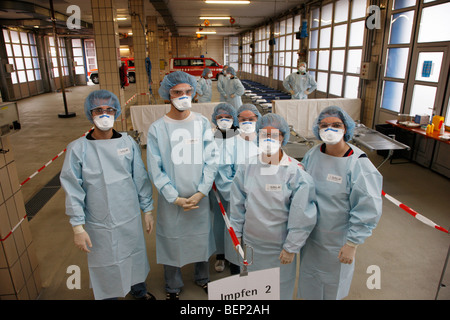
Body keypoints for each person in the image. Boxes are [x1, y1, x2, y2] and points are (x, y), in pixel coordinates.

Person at [60, 89, 156, 300]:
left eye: (109, 109)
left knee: (134, 254)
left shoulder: (127, 142)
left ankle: (138, 290)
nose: (104, 114)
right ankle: (109, 295)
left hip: (128, 215)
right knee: (105, 259)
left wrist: (147, 209)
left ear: (116, 112)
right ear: (90, 114)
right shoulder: (78, 149)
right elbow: (73, 189)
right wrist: (77, 226)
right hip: (99, 221)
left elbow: (140, 178)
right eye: (98, 110)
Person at [146, 71, 219, 300]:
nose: (184, 96)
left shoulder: (201, 122)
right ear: (168, 94)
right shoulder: (158, 128)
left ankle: (202, 278)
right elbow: (155, 168)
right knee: (171, 240)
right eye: (178, 92)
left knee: (200, 237)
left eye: (188, 91)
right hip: (172, 200)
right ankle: (173, 286)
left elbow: (211, 160)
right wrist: (173, 196)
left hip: (200, 196)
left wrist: (201, 191)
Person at [298, 106, 383, 300]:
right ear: (317, 129)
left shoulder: (358, 164)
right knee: (310, 279)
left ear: (346, 128)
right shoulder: (313, 154)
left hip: (338, 240)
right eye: (324, 125)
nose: (329, 129)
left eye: (336, 125)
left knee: (332, 284)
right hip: (310, 236)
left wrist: (352, 243)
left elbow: (368, 207)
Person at [229, 113, 317, 300]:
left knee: (278, 290)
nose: (268, 140)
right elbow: (237, 204)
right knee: (254, 290)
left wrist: (291, 247)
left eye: (274, 136)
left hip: (280, 248)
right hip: (252, 244)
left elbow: (302, 214)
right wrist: (236, 234)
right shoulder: (247, 167)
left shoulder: (295, 172)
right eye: (264, 135)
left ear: (283, 137)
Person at [209, 103, 240, 274]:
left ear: (234, 119)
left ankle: (234, 256)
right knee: (218, 221)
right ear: (214, 119)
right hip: (214, 188)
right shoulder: (210, 138)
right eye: (220, 117)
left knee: (235, 221)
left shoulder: (239, 138)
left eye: (228, 117)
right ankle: (220, 254)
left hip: (236, 189)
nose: (224, 120)